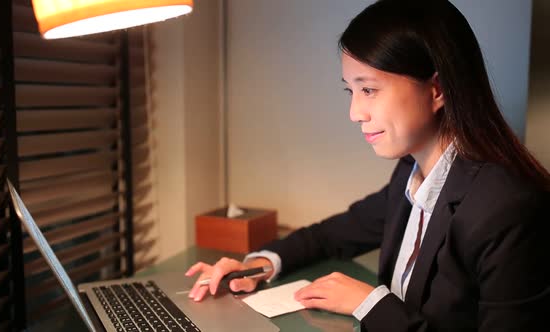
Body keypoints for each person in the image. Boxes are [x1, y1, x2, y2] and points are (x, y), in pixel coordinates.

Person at [185, 0, 550, 331]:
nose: (355, 113)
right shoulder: (412, 173)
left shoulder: (505, 207)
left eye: (369, 89)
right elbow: (332, 235)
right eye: (352, 90)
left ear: (437, 90)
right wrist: (259, 264)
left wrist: (370, 303)